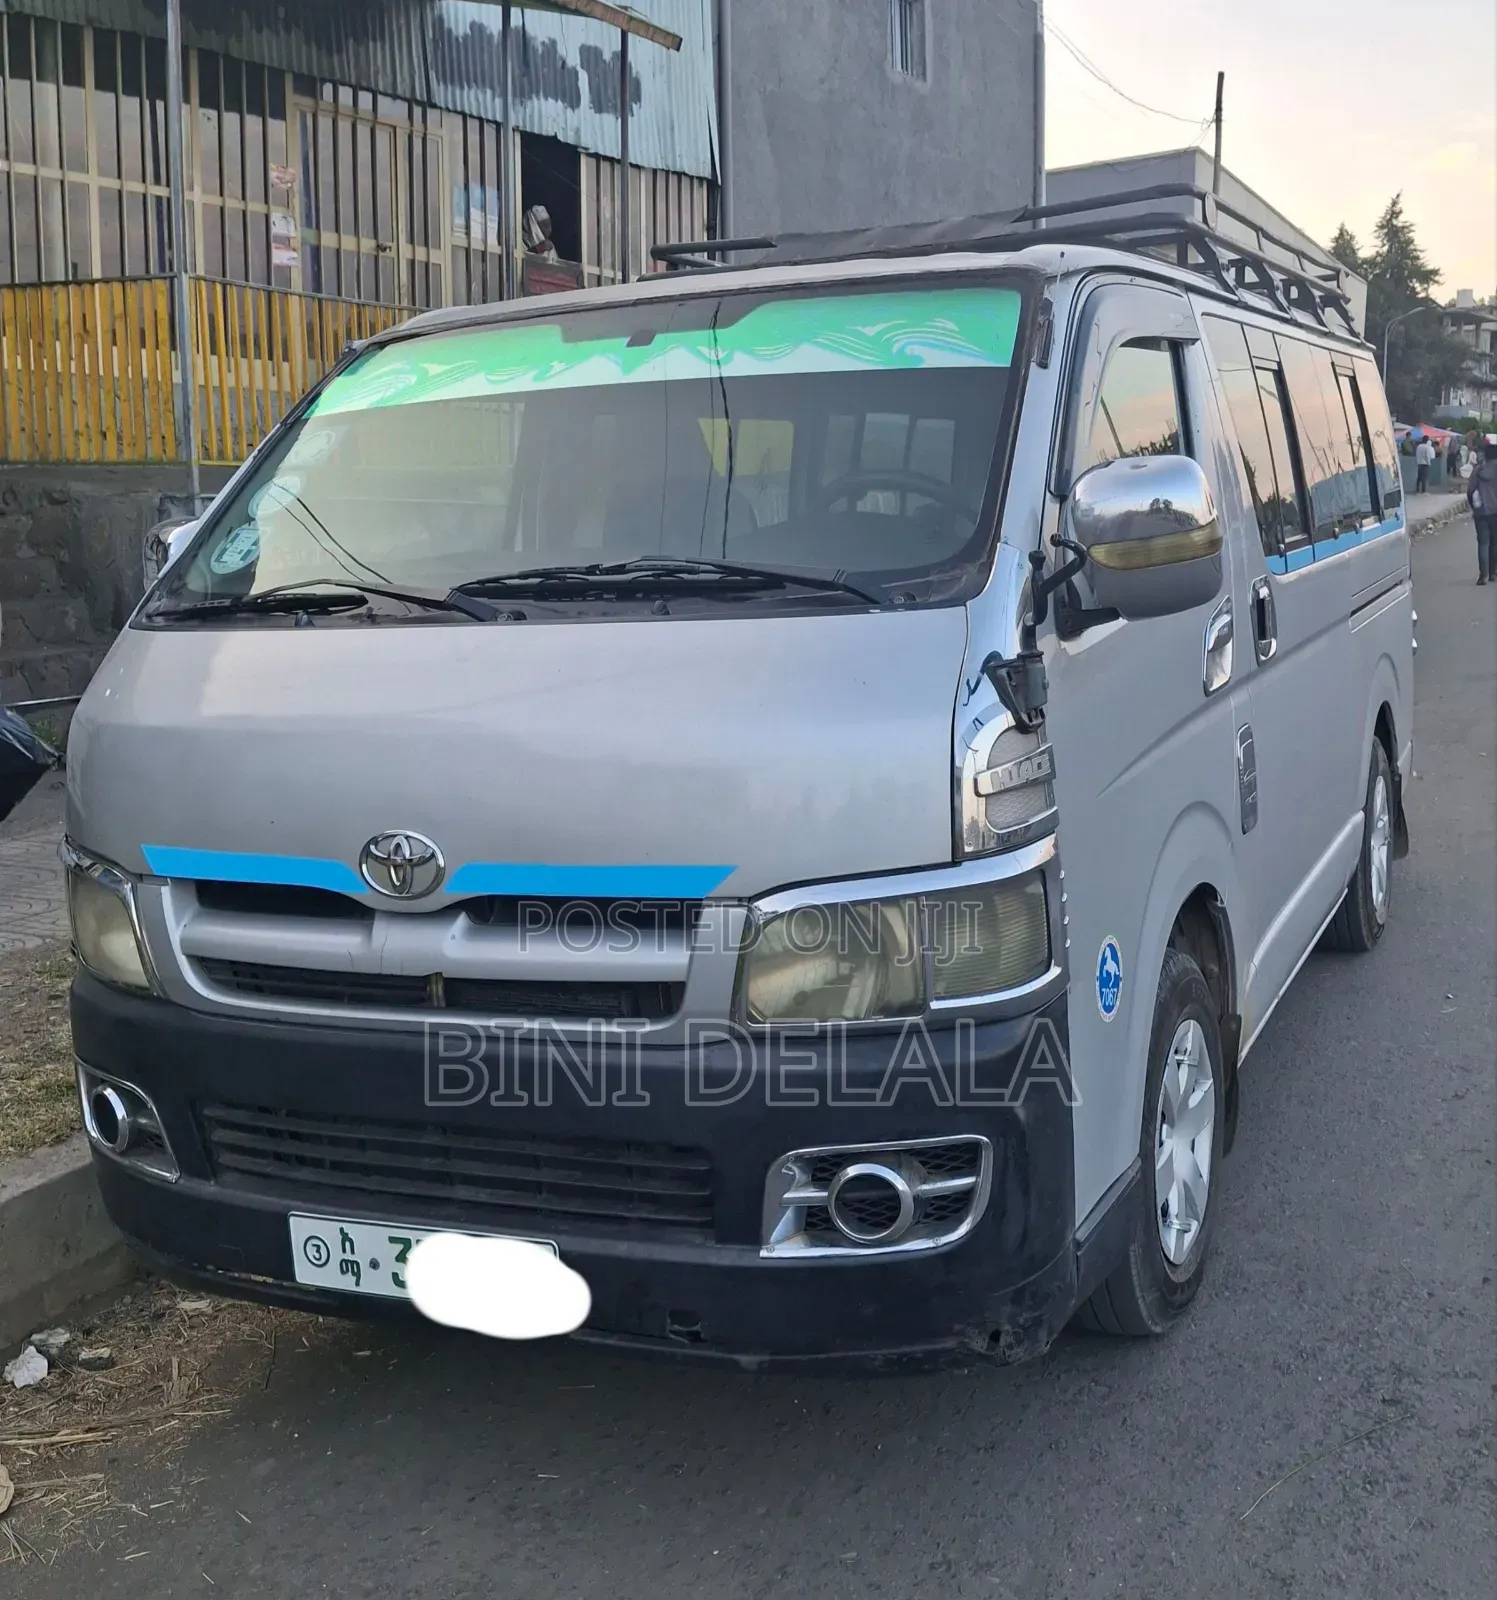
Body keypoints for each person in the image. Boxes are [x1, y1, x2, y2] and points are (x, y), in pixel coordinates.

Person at [1467, 440, 1497, 584]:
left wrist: (1474, 506)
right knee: (1495, 543)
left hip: (1481, 512)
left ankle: (1483, 576)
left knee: (1483, 543)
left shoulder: (1478, 470)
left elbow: (1470, 490)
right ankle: (1493, 574)